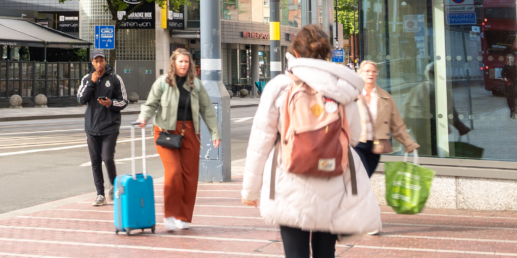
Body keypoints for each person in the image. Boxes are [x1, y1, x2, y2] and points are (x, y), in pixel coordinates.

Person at [242, 25, 380, 257]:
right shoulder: (343, 88)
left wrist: (250, 191)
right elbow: (354, 136)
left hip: (289, 180)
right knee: (325, 252)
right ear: (326, 54)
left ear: (295, 53)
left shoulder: (279, 87)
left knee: (295, 252)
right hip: (332, 180)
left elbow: (260, 142)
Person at [135, 48, 221, 232]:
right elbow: (150, 104)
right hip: (165, 133)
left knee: (189, 177)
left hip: (190, 132)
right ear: (173, 63)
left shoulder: (196, 85)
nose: (183, 64)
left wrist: (215, 133)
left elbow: (207, 110)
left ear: (190, 64)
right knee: (174, 172)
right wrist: (144, 117)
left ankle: (183, 217)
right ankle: (170, 214)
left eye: (186, 62)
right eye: (180, 61)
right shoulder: (163, 83)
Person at [77, 48, 128, 206]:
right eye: (96, 61)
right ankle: (100, 194)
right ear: (92, 62)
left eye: (101, 61)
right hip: (91, 127)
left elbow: (124, 100)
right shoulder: (87, 79)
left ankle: (114, 186)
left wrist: (110, 103)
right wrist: (92, 82)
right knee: (95, 161)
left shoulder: (115, 78)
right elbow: (80, 98)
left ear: (106, 61)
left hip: (110, 126)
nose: (99, 64)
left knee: (107, 158)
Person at [355, 60, 419, 177]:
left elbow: (397, 123)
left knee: (365, 178)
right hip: (357, 144)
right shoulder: (353, 95)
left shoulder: (385, 97)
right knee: (362, 178)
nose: (371, 74)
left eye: (374, 71)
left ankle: (354, 195)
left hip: (376, 146)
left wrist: (409, 143)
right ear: (360, 73)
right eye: (367, 71)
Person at [502, 54, 517, 119]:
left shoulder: (516, 67)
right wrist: (505, 78)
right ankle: (511, 110)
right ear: (508, 59)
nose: (511, 59)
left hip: (514, 84)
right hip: (508, 85)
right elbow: (502, 74)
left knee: (514, 98)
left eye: (512, 58)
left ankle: (513, 111)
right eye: (510, 58)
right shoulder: (505, 66)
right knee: (509, 98)